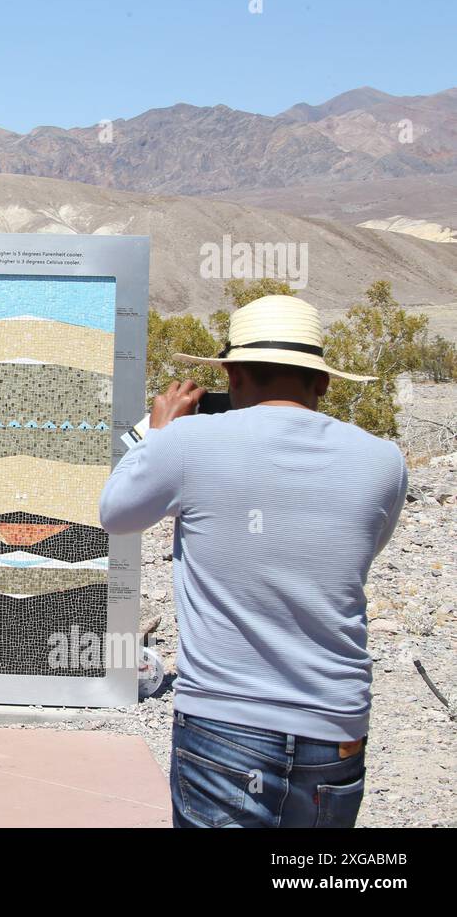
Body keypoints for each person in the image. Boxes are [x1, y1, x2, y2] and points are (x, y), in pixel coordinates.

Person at [99, 295, 408, 828]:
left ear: (231, 374)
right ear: (324, 382)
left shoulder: (187, 442)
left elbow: (117, 514)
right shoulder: (384, 460)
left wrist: (157, 433)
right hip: (335, 725)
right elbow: (356, 549)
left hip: (225, 719)